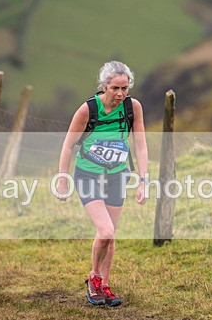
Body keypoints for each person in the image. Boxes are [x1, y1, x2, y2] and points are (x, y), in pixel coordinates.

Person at [55, 61, 148, 307]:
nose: (120, 94)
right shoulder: (87, 110)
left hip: (117, 176)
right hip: (88, 175)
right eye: (115, 88)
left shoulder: (132, 108)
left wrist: (143, 180)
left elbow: (140, 144)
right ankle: (94, 278)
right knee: (105, 230)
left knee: (110, 236)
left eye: (124, 88)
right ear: (104, 85)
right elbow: (67, 145)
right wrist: (62, 179)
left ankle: (105, 286)